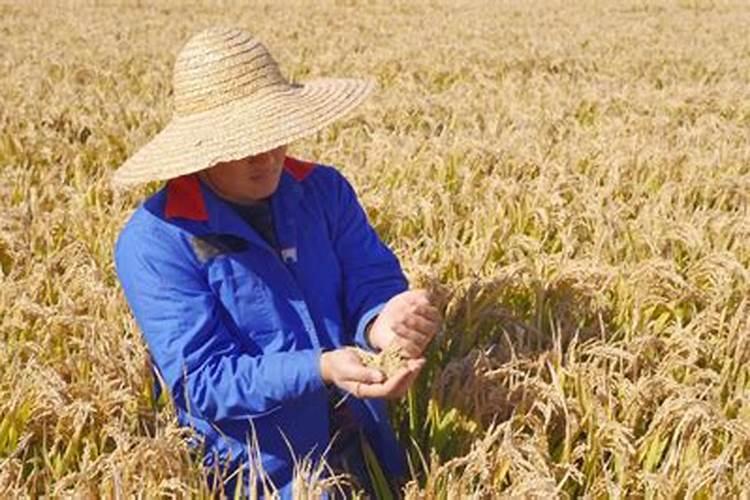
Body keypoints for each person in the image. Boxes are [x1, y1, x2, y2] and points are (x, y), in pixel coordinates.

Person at [112, 27, 441, 498]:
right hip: (265, 471)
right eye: (244, 141)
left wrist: (382, 323)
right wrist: (319, 368)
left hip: (366, 447)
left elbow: (371, 278)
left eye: (274, 131)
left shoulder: (323, 190)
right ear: (202, 147)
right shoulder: (156, 242)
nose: (266, 156)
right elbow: (202, 381)